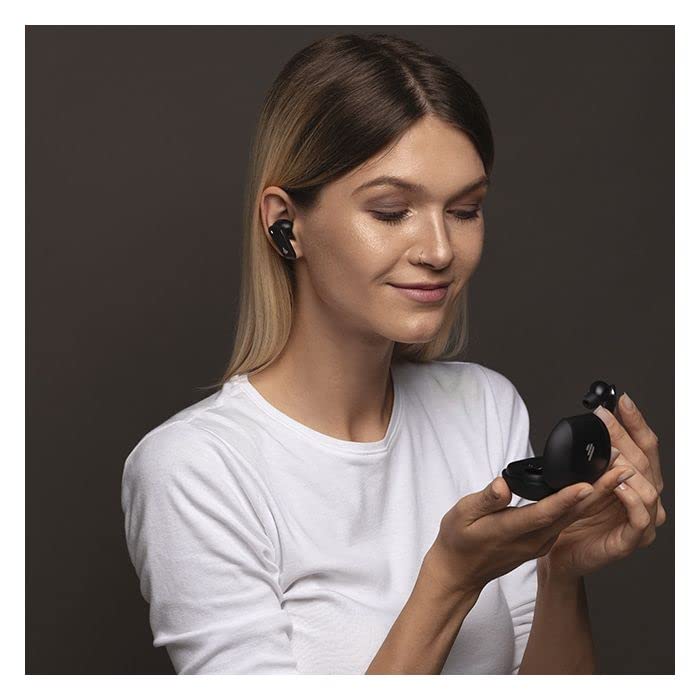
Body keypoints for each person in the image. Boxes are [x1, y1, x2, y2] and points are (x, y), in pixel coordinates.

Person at [121, 32, 666, 675]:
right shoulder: (197, 470)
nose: (438, 248)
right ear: (284, 223)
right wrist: (450, 581)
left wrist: (561, 573)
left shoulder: (483, 408)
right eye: (390, 211)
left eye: (465, 210)